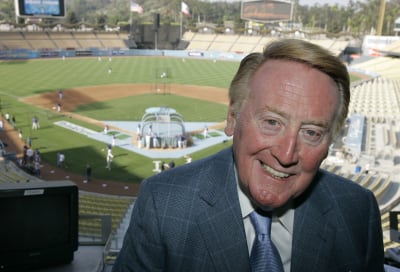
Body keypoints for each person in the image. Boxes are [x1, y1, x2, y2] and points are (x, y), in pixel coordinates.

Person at [112, 39, 384, 272]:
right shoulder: (165, 206)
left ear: (329, 143)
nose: (286, 154)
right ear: (232, 118)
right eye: (271, 122)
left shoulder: (357, 211)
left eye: (311, 132)